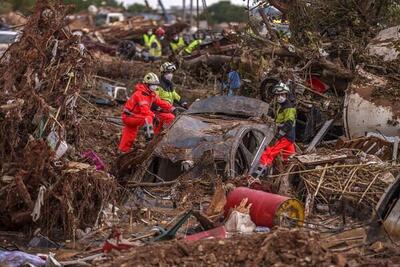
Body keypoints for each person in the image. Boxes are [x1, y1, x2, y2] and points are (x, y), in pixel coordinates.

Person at [118, 73, 174, 153]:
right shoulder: (141, 94)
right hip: (129, 117)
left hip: (135, 116)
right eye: (153, 85)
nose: (155, 86)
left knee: (129, 135)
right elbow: (145, 111)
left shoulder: (151, 94)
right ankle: (150, 142)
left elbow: (161, 102)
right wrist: (154, 115)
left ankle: (123, 151)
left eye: (156, 85)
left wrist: (172, 108)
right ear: (147, 84)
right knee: (148, 118)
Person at [251, 82, 296, 178]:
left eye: (282, 94)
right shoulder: (282, 107)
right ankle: (285, 177)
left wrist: (279, 135)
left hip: (285, 136)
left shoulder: (288, 108)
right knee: (289, 157)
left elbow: (289, 123)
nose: (280, 97)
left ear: (286, 95)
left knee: (269, 152)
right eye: (278, 95)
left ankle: (258, 175)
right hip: (289, 137)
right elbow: (279, 121)